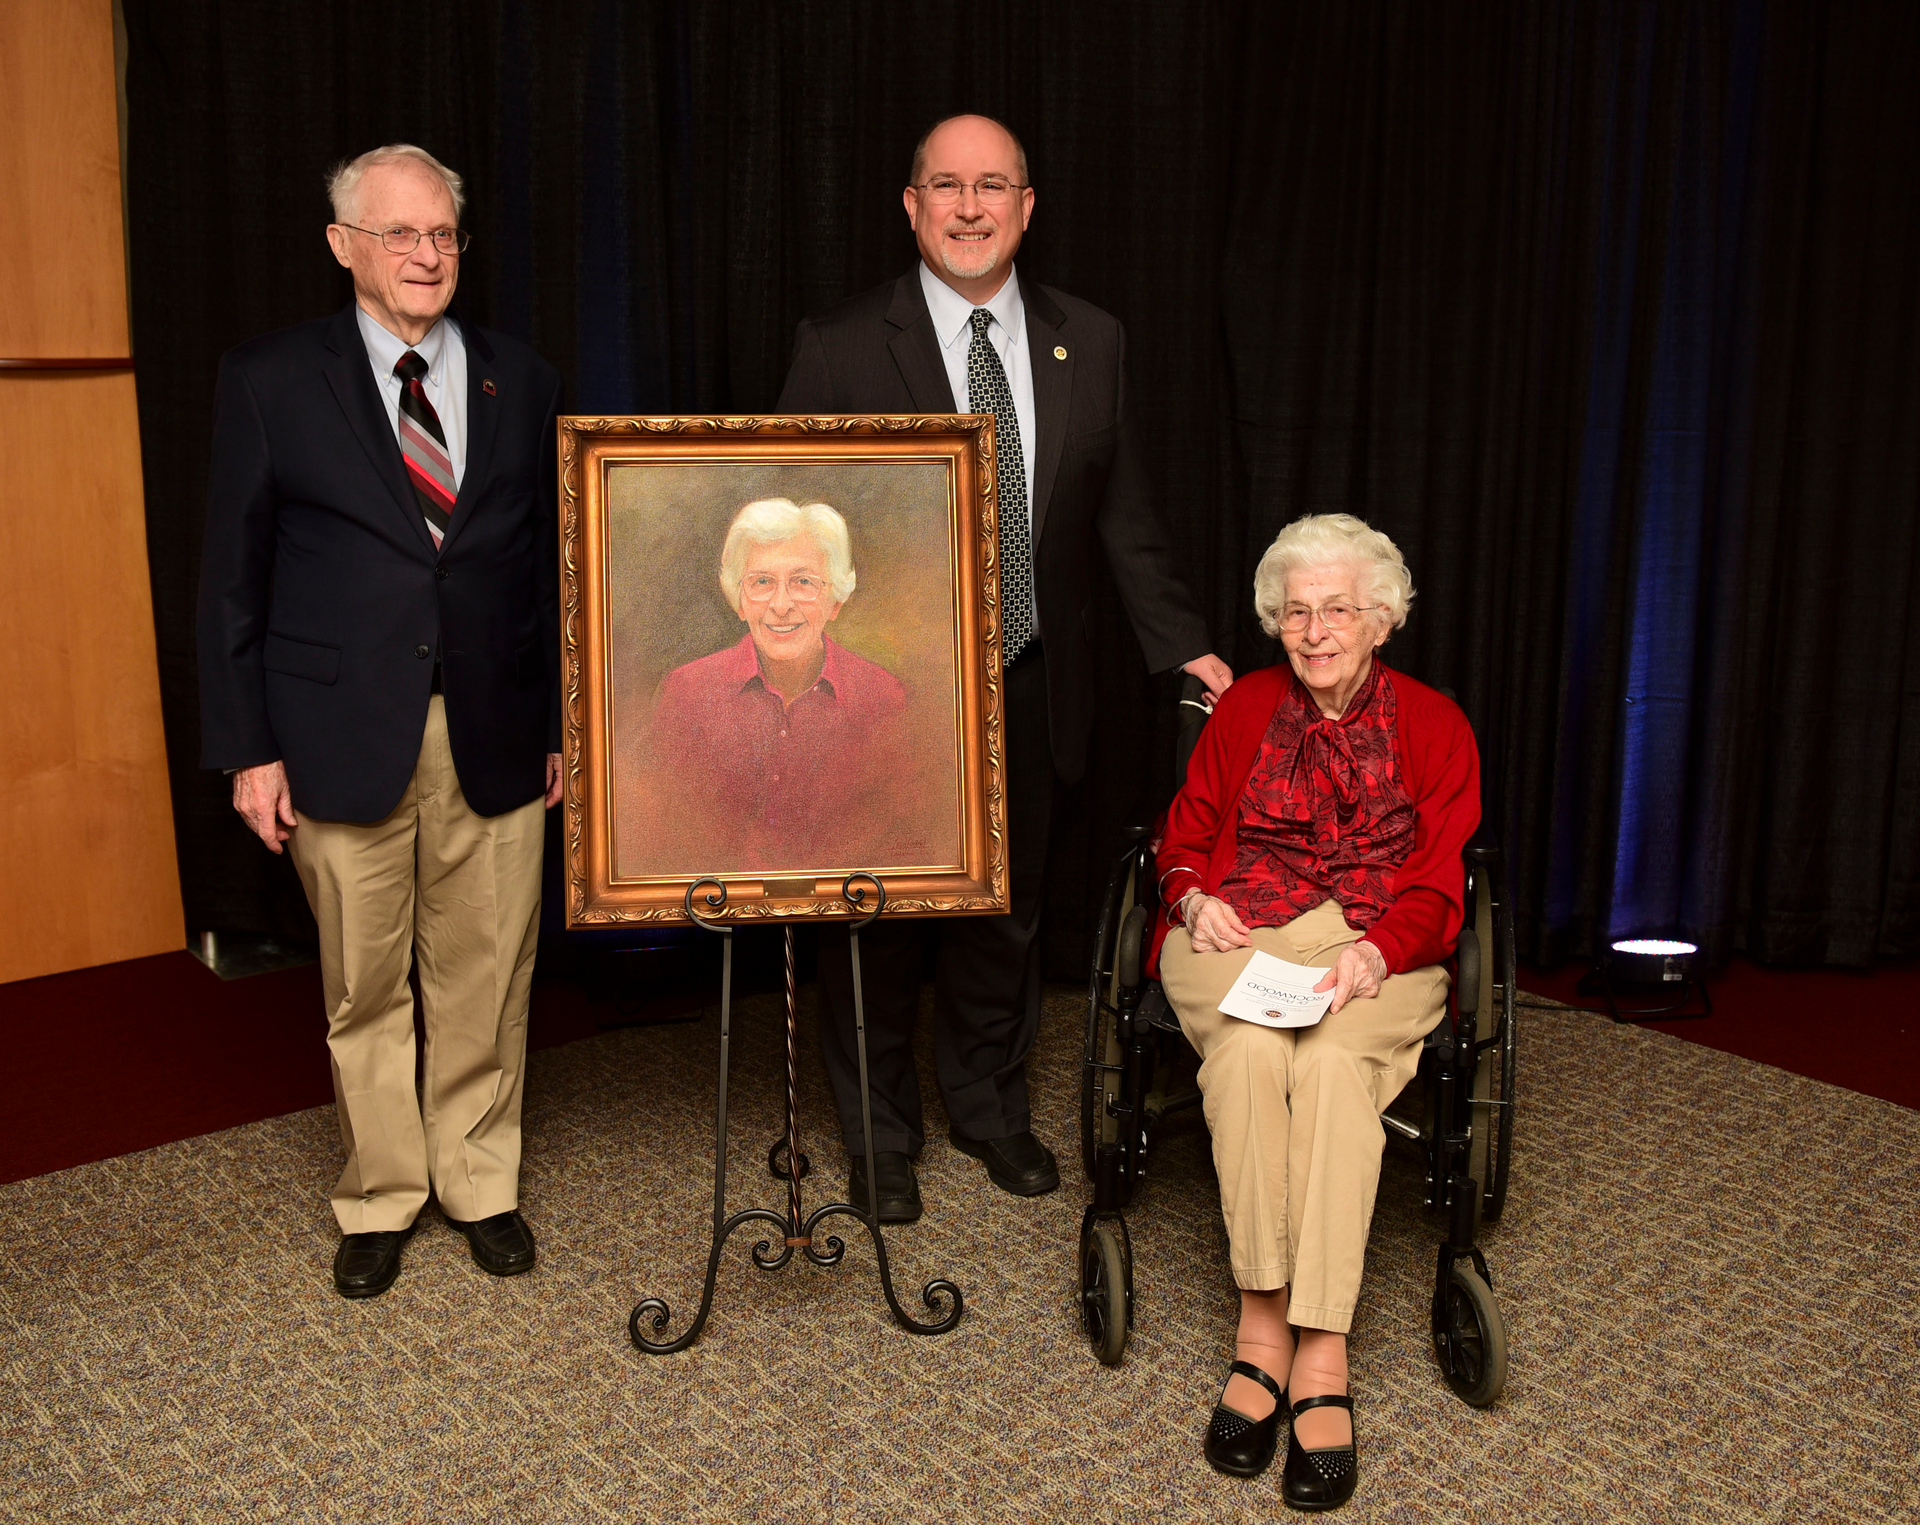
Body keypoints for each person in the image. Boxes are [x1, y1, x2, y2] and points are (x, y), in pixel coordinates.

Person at [777, 112, 1233, 1222]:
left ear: (1027, 207)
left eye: (993, 186)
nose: (970, 207)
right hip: (883, 693)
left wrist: (1186, 644)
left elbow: (1120, 515)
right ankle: (881, 1141)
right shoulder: (839, 343)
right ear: (911, 205)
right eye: (947, 186)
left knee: (1006, 915)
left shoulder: (1094, 337)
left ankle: (986, 1112)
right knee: (875, 920)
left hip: (1035, 678)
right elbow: (786, 517)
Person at [197, 143, 564, 1300]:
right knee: (363, 987)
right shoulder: (267, 379)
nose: (425, 254)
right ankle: (382, 1193)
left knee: (489, 973)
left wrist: (560, 718)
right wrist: (248, 746)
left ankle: (479, 1181)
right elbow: (230, 583)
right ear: (343, 245)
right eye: (399, 233)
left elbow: (550, 569)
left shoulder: (522, 375)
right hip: (334, 735)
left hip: (495, 731)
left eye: (442, 234)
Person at [1148, 513, 1479, 1510]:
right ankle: (1261, 1325)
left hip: (1378, 946)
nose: (1317, 628)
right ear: (1275, 620)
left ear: (1381, 616)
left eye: (1338, 608)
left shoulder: (1435, 723)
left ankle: (1320, 1347)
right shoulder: (1245, 706)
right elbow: (1188, 830)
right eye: (1297, 610)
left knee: (1330, 1067)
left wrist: (1379, 950)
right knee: (1251, 1055)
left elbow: (1438, 879)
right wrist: (1194, 896)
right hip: (1240, 931)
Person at [624, 498, 936, 873]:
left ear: (835, 599)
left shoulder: (882, 698)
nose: (781, 604)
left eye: (803, 581)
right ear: (739, 600)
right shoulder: (686, 694)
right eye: (761, 582)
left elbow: (907, 848)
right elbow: (658, 844)